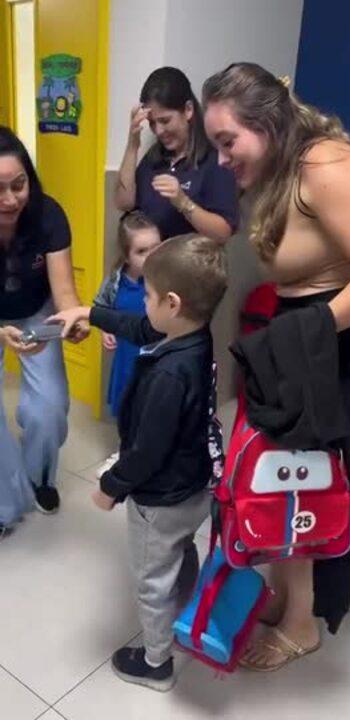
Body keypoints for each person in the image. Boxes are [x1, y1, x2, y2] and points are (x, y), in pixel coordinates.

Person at [203, 63, 350, 671]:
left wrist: (303, 335)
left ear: (266, 124)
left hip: (336, 341)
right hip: (300, 339)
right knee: (286, 476)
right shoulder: (278, 170)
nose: (221, 159)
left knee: (300, 480)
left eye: (226, 141)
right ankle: (291, 597)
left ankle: (301, 623)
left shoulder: (329, 168)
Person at [49, 234, 227, 691]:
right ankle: (185, 599)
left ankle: (155, 662)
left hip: (160, 497)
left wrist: (112, 486)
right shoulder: (194, 333)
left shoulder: (170, 374)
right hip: (194, 484)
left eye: (147, 295)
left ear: (171, 302)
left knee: (151, 578)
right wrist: (90, 312)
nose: (142, 302)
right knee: (182, 547)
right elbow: (141, 329)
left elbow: (148, 450)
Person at [0, 126, 87, 533]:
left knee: (49, 409)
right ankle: (3, 502)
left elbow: (64, 292)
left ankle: (38, 478)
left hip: (36, 313)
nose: (11, 199)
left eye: (19, 185)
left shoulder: (48, 214)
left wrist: (74, 320)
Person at [115, 66, 239, 243]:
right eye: (152, 123)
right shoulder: (155, 157)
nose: (158, 131)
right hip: (150, 267)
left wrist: (183, 203)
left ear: (188, 110)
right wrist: (132, 145)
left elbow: (223, 233)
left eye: (165, 121)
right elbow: (124, 203)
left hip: (189, 267)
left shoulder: (215, 160)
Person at [94, 210, 161, 478]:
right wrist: (104, 329)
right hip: (126, 359)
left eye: (157, 247)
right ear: (126, 255)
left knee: (152, 411)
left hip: (156, 360)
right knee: (125, 408)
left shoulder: (165, 278)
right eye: (142, 251)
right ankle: (125, 453)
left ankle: (149, 459)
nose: (151, 256)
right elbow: (100, 308)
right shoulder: (114, 282)